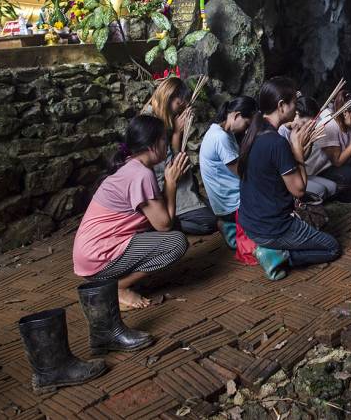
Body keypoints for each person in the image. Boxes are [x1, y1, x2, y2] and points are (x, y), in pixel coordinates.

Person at [73, 115, 189, 310]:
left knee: (175, 226)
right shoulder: (140, 174)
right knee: (176, 242)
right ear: (152, 145)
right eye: (163, 139)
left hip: (90, 255)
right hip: (99, 256)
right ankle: (114, 289)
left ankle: (117, 280)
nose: (167, 144)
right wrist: (171, 183)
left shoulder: (133, 165)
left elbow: (163, 217)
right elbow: (164, 225)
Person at [238, 77, 342, 269]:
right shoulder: (276, 142)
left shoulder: (253, 131)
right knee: (332, 247)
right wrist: (296, 149)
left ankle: (278, 247)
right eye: (294, 102)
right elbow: (299, 190)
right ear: (281, 106)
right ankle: (279, 255)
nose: (296, 108)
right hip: (271, 228)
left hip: (250, 221)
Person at [142, 77, 217, 234]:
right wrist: (177, 134)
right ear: (167, 97)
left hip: (177, 183)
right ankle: (160, 222)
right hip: (162, 189)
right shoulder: (150, 125)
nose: (179, 111)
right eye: (178, 104)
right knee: (208, 223)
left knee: (217, 211)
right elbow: (171, 169)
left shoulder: (164, 119)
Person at [199, 96, 257, 248]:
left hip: (224, 204)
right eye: (247, 123)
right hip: (232, 205)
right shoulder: (220, 138)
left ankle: (230, 225)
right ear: (237, 115)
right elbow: (243, 173)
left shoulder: (220, 131)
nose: (246, 129)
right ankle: (232, 224)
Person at [278, 96, 338, 204]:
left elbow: (303, 158)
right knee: (321, 191)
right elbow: (290, 163)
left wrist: (310, 142)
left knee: (333, 187)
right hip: (286, 179)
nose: (307, 126)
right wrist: (297, 146)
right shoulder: (281, 132)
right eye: (305, 122)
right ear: (296, 114)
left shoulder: (301, 130)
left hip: (298, 171)